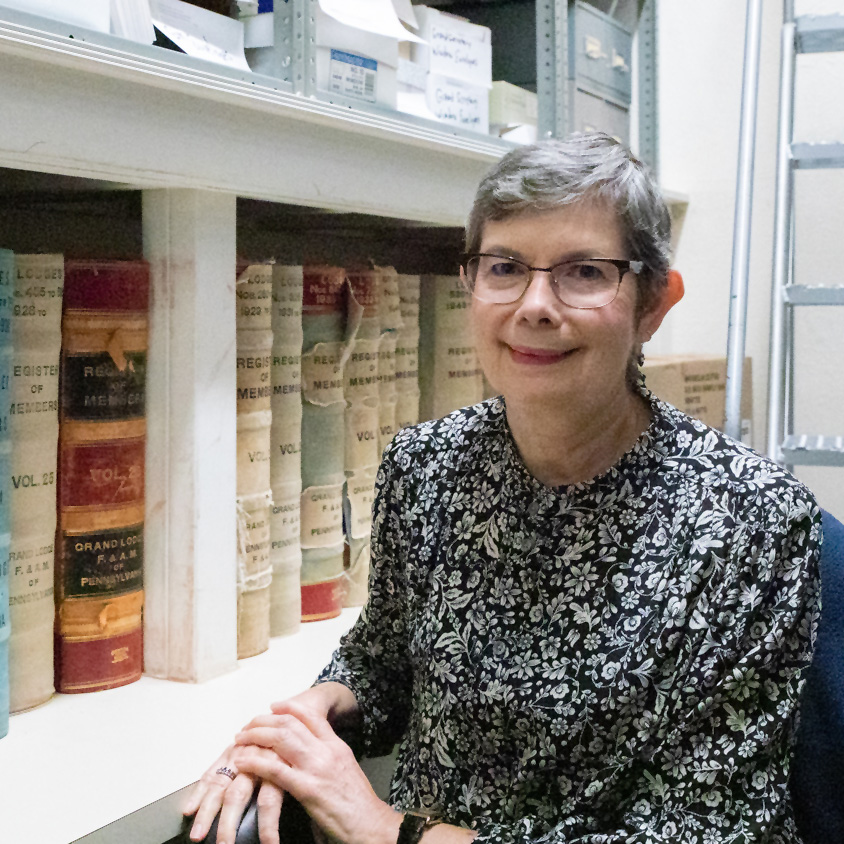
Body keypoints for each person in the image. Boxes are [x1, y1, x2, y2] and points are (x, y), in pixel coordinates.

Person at [183, 132, 822, 844]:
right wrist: (317, 713)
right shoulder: (424, 467)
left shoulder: (752, 520)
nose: (535, 305)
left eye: (583, 272)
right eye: (505, 267)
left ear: (653, 305)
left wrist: (386, 829)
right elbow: (386, 657)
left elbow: (699, 832)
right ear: (470, 284)